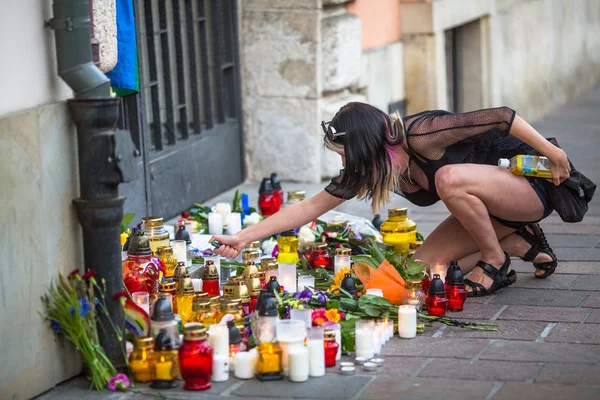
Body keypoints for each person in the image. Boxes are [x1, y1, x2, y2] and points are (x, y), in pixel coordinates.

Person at [212, 103, 573, 296]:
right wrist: (243, 238)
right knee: (418, 267)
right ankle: (521, 242)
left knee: (448, 177)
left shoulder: (421, 135)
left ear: (367, 148)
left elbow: (502, 116)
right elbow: (308, 208)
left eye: (344, 153)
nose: (343, 162)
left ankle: (495, 258)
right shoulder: (373, 168)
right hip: (489, 208)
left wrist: (552, 154)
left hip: (531, 186)